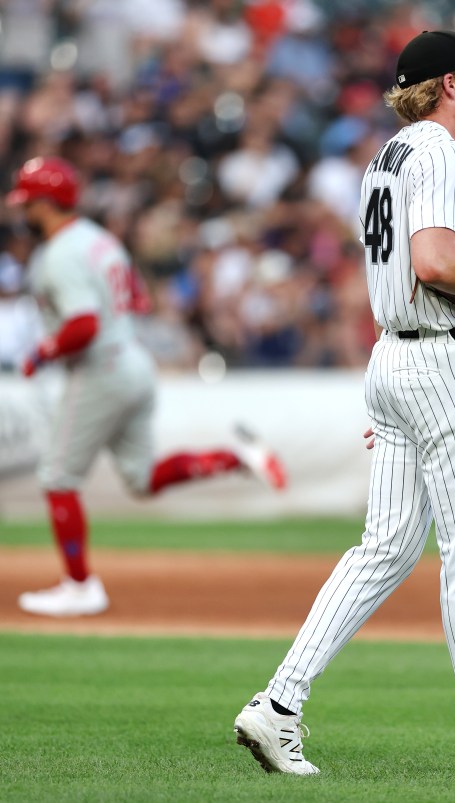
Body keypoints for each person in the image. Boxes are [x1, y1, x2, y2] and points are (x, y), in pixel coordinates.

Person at [233, 30, 455, 778]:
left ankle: (277, 705)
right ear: (448, 83)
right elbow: (433, 260)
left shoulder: (385, 157)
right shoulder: (438, 152)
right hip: (440, 360)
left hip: (393, 357)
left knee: (384, 548)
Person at [6, 156, 287, 618]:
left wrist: (41, 353)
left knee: (57, 477)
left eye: (29, 202)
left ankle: (79, 586)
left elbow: (83, 325)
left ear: (46, 201)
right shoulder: (98, 240)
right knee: (140, 478)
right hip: (135, 362)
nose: (23, 211)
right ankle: (235, 457)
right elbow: (136, 296)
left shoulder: (59, 254)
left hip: (101, 369)